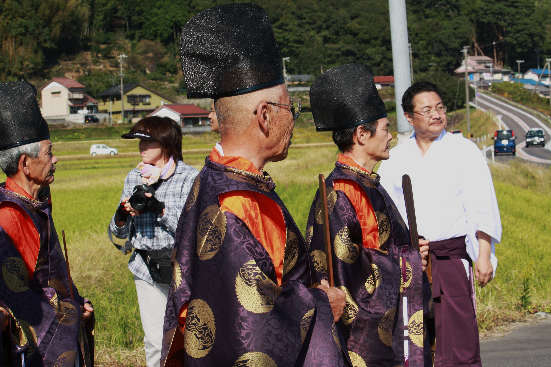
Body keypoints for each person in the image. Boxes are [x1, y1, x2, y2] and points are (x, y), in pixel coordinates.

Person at [161, 4, 348, 366]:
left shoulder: (217, 181)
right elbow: (253, 324)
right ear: (265, 115)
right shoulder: (235, 202)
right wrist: (324, 304)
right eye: (289, 110)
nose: (293, 121)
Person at [306, 64, 429, 367]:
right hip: (359, 337)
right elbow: (348, 270)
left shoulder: (368, 184)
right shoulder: (340, 193)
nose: (391, 138)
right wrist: (407, 264)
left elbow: (383, 246)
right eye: (386, 129)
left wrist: (413, 251)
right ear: (362, 134)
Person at [378, 81, 502, 367]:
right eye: (427, 110)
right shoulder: (396, 158)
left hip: (451, 257)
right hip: (412, 261)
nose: (436, 114)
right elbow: (387, 211)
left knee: (459, 340)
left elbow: (482, 204)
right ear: (409, 118)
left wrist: (484, 255)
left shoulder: (464, 150)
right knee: (414, 338)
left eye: (440, 108)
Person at [0, 80, 94, 366]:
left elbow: (48, 272)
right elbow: (13, 298)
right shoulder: (11, 215)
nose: (56, 159)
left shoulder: (35, 202)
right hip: (42, 349)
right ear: (25, 164)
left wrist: (76, 302)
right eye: (49, 153)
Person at [109, 116, 198, 367]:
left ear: (167, 144)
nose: (142, 147)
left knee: (188, 335)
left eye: (149, 142)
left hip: (182, 268)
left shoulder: (189, 177)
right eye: (140, 143)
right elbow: (119, 233)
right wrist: (121, 216)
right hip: (145, 267)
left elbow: (192, 229)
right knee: (155, 340)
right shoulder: (133, 177)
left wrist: (159, 209)